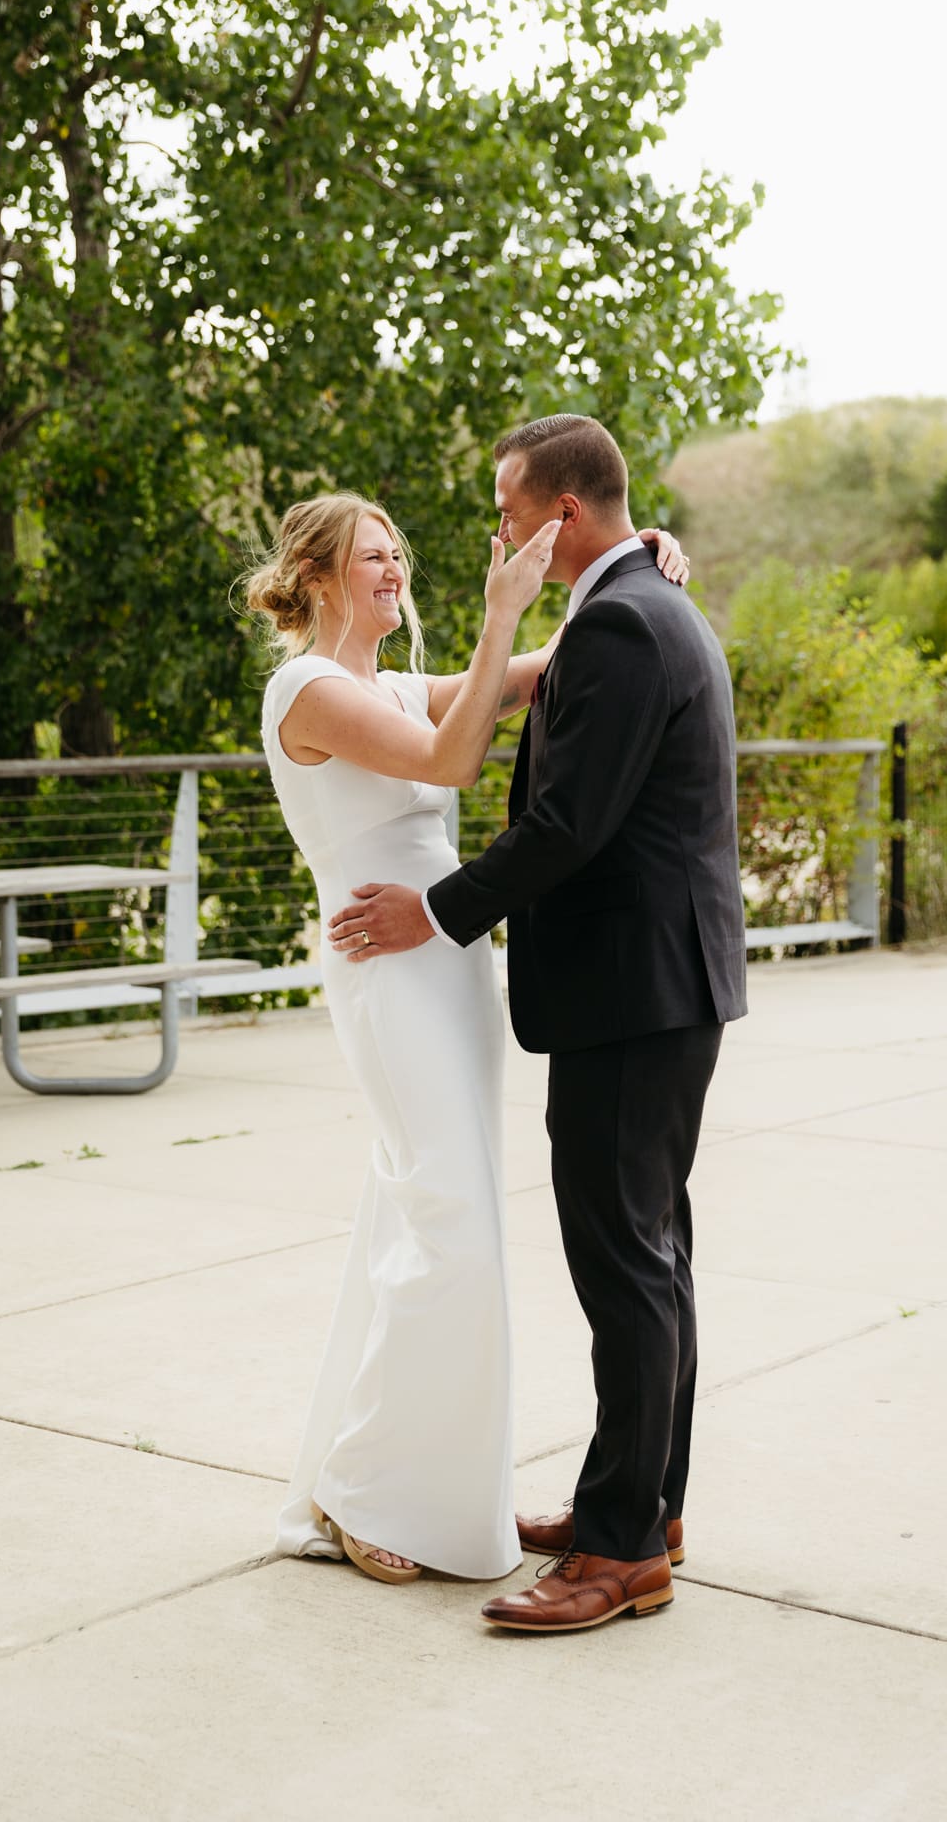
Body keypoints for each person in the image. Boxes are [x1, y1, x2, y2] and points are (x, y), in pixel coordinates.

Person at [328, 414, 746, 1634]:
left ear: (562, 511)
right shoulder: (648, 605)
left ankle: (622, 1551)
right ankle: (642, 1500)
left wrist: (434, 912)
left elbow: (567, 826)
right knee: (652, 1254)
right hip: (664, 988)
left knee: (626, 1265)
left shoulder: (624, 619)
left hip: (632, 993)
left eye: (510, 507)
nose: (498, 529)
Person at [249, 490, 688, 1585]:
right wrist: (500, 610)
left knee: (430, 1211)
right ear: (315, 578)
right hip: (388, 972)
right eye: (372, 556)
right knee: (450, 1223)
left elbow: (534, 670)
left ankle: (389, 1479)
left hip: (449, 969)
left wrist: (635, 560)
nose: (395, 569)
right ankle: (363, 1486)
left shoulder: (388, 683)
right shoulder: (306, 688)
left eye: (398, 552)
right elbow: (450, 761)